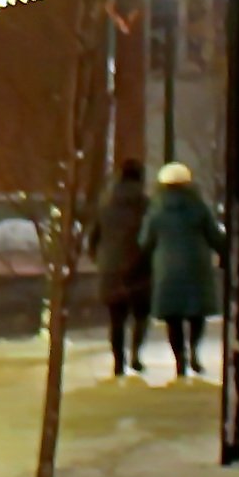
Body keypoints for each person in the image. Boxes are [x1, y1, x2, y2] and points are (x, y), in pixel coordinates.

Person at [142, 159, 225, 381]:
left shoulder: (156, 211)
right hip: (196, 267)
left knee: (173, 318)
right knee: (196, 314)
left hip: (167, 270)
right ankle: (194, 352)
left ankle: (179, 360)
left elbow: (145, 241)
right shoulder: (199, 208)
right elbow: (215, 237)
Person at [92, 158, 154, 379]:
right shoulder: (146, 204)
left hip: (110, 267)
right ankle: (136, 354)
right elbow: (151, 236)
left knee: (116, 318)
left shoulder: (105, 204)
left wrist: (99, 259)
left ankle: (118, 362)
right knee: (140, 315)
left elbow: (94, 237)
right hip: (139, 267)